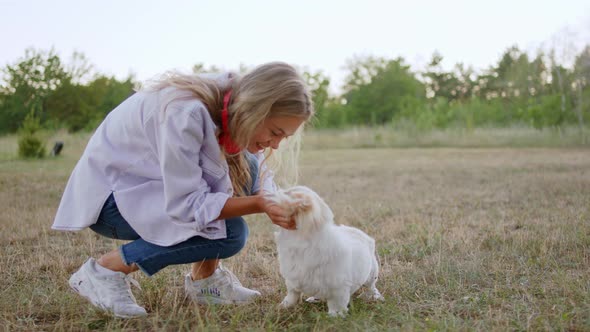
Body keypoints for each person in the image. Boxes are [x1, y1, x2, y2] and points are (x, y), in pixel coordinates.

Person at [52, 62, 314, 318]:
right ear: (256, 109)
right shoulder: (185, 113)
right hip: (110, 202)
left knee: (250, 169)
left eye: (284, 137)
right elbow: (187, 207)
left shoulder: (233, 100)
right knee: (230, 233)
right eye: (275, 132)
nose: (277, 145)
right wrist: (259, 203)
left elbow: (258, 173)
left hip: (148, 187)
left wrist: (275, 197)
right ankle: (104, 271)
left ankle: (205, 281)